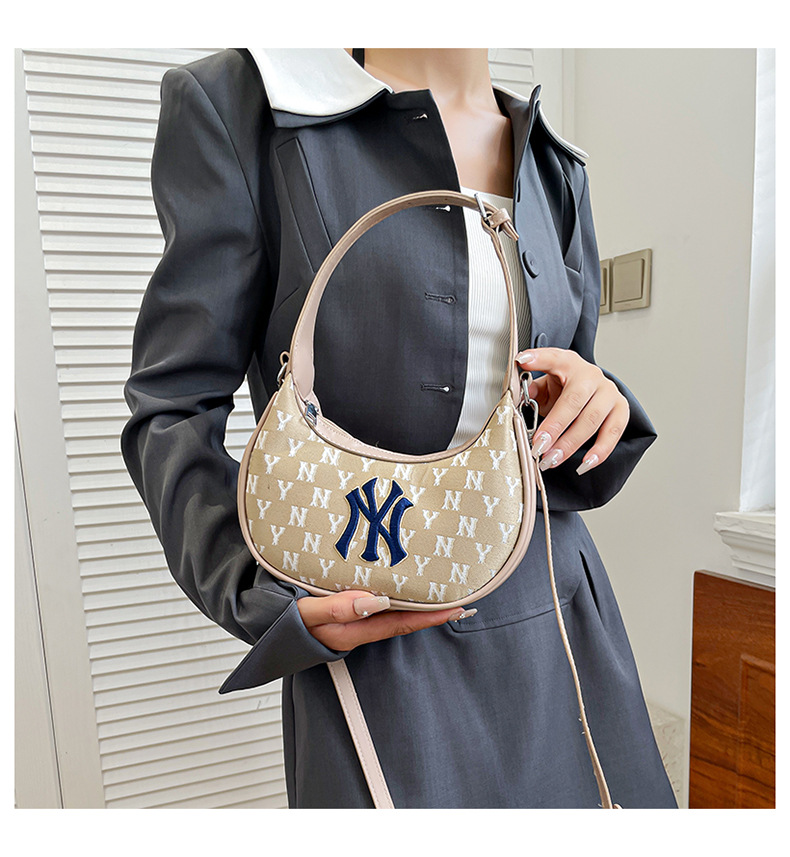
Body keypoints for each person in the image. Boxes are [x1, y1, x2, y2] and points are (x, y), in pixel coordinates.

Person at [121, 47, 677, 808]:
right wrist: (261, 592)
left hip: (560, 612)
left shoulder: (554, 163)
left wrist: (596, 398)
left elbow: (558, 396)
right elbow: (173, 402)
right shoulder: (243, 107)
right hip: (377, 626)